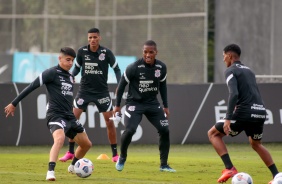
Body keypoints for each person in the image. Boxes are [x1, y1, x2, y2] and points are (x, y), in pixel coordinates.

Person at [4, 47, 92, 181]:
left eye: (72, 61)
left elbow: (66, 97)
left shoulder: (71, 77)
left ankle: (73, 166)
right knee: (59, 139)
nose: (70, 63)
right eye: (68, 60)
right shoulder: (51, 73)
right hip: (55, 115)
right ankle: (50, 171)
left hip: (69, 116)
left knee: (86, 144)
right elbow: (31, 86)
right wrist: (14, 103)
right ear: (60, 58)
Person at [207, 44, 279, 183]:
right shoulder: (249, 71)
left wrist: (228, 118)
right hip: (260, 111)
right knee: (256, 143)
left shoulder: (230, 70)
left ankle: (229, 168)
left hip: (245, 112)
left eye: (223, 56)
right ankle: (277, 175)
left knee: (213, 134)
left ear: (229, 56)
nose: (223, 60)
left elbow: (234, 94)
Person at [59, 28, 121, 163]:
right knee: (72, 120)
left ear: (99, 38)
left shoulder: (106, 53)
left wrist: (119, 85)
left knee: (109, 122)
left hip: (102, 93)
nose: (92, 40)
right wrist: (70, 76)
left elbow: (116, 69)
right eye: (90, 38)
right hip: (84, 91)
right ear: (88, 39)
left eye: (95, 37)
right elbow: (76, 68)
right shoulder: (82, 52)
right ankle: (70, 152)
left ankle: (115, 154)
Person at [113, 40, 176, 172]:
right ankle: (122, 157)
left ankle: (163, 165)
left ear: (156, 53)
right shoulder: (133, 67)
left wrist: (166, 106)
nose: (148, 55)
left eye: (151, 52)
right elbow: (121, 86)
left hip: (152, 103)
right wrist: (117, 106)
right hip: (134, 104)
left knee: (165, 130)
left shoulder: (161, 67)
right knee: (130, 130)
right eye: (145, 52)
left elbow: (163, 86)